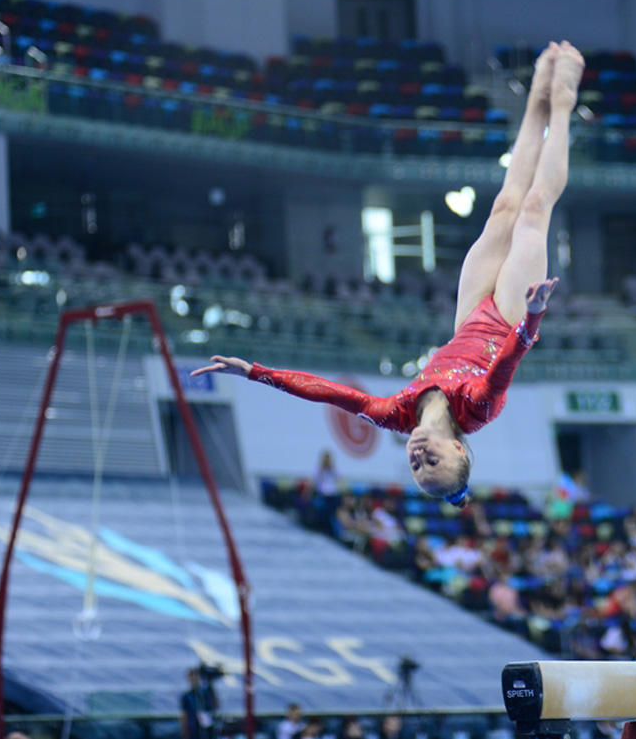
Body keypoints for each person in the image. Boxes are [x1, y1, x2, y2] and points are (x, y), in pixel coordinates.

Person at [192, 41, 585, 508]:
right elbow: (507, 361)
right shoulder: (476, 410)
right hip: (508, 319)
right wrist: (534, 316)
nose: (419, 458)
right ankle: (560, 104)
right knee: (533, 209)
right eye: (434, 463)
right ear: (459, 448)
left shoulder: (395, 414)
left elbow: (328, 393)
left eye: (416, 468)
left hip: (467, 319)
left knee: (502, 207)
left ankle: (537, 90)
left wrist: (256, 372)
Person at [179, 667, 220, 739]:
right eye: (192, 678)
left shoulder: (206, 693)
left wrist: (211, 685)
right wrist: (184, 732)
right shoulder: (186, 696)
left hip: (207, 730)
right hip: (193, 730)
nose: (194, 680)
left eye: (195, 677)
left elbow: (216, 705)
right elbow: (184, 716)